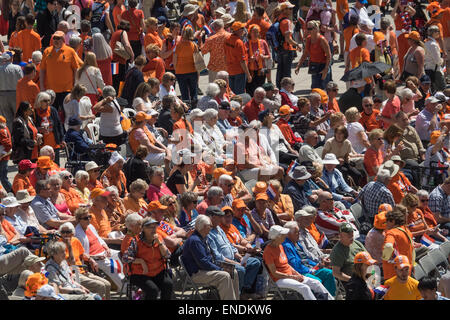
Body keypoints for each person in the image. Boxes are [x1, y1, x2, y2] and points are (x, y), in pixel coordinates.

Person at [264, 225, 333, 300]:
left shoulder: (279, 246)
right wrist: (292, 277)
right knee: (304, 288)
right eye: (283, 235)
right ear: (277, 237)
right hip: (279, 279)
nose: (285, 236)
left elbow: (286, 265)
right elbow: (275, 273)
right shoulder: (268, 251)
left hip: (289, 274)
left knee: (316, 283)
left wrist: (297, 274)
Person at [206, 206, 261, 298]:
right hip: (221, 263)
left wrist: (240, 257)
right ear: (212, 218)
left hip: (233, 258)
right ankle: (236, 295)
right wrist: (236, 262)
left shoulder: (219, 229)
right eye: (220, 216)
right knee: (240, 269)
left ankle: (244, 290)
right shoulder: (209, 232)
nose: (221, 218)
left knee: (255, 262)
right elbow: (217, 256)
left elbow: (230, 246)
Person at [181, 214, 240, 300]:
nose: (211, 228)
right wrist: (220, 269)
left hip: (204, 269)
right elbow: (203, 263)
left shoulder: (203, 238)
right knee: (224, 276)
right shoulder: (195, 241)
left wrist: (221, 266)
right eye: (210, 226)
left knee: (233, 271)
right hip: (196, 273)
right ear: (203, 227)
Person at [122, 217, 173, 300]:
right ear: (143, 228)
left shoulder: (158, 238)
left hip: (158, 271)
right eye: (150, 227)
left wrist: (159, 243)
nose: (153, 229)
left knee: (168, 284)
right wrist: (141, 261)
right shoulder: (136, 241)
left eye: (155, 227)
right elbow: (125, 258)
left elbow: (167, 255)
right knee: (153, 290)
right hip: (140, 273)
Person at [58, 222, 112, 299]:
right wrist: (69, 246)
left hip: (82, 271)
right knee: (100, 286)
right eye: (63, 232)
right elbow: (71, 262)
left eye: (68, 232)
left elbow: (82, 254)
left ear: (72, 233)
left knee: (107, 284)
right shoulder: (59, 245)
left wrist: (91, 260)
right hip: (72, 273)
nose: (65, 234)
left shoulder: (75, 240)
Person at [283, 220, 336, 296]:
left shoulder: (297, 242)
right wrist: (311, 270)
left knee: (329, 273)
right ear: (288, 234)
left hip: (309, 268)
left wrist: (317, 264)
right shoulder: (286, 246)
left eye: (298, 232)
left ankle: (329, 297)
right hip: (301, 272)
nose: (299, 234)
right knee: (317, 281)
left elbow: (306, 258)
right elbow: (295, 265)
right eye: (296, 232)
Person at [40, 30, 82, 111]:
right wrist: (42, 86)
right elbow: (42, 70)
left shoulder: (70, 51)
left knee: (67, 113)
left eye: (58, 38)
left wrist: (75, 85)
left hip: (66, 90)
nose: (56, 40)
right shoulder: (47, 51)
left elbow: (75, 69)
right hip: (50, 90)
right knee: (51, 113)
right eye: (54, 38)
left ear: (63, 40)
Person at [295, 20, 331, 90]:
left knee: (323, 88)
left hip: (323, 65)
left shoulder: (322, 39)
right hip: (314, 65)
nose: (308, 31)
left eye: (310, 29)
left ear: (316, 29)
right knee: (315, 88)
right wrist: (298, 66)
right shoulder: (308, 39)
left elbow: (329, 55)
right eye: (307, 28)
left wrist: (326, 68)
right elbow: (305, 54)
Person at [330, 222, 366, 287]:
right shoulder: (337, 251)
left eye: (352, 233)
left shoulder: (357, 243)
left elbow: (368, 258)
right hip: (353, 283)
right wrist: (353, 280)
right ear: (340, 235)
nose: (351, 236)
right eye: (348, 234)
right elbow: (336, 273)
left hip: (366, 276)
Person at [224, 21, 252, 95]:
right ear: (237, 30)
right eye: (242, 28)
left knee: (232, 94)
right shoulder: (239, 42)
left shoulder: (227, 39)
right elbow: (242, 61)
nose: (244, 30)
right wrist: (248, 75)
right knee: (239, 95)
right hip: (239, 72)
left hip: (230, 70)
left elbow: (225, 55)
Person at [172, 26, 198, 102]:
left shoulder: (178, 45)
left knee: (184, 92)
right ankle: (194, 106)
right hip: (192, 70)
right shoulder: (194, 45)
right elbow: (197, 60)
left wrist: (176, 69)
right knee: (194, 91)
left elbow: (174, 60)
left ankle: (186, 107)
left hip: (181, 71)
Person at [0, 52, 23, 131]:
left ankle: (10, 136)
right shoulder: (17, 68)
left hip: (2, 95)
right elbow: (22, 81)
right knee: (18, 116)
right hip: (15, 94)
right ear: (10, 58)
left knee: (6, 118)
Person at [110, 20, 134, 90]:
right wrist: (132, 55)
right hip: (120, 61)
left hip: (113, 60)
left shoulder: (115, 33)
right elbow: (127, 45)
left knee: (114, 80)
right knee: (121, 81)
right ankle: (119, 97)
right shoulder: (123, 32)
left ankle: (114, 96)